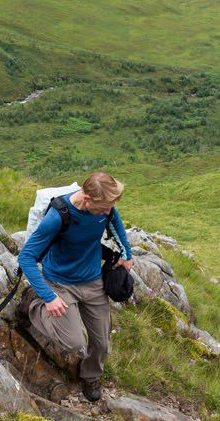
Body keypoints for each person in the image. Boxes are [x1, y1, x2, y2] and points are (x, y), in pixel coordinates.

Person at [16, 172, 133, 402]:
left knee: (102, 343)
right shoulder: (59, 216)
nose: (109, 211)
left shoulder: (105, 209)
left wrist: (127, 254)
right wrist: (48, 297)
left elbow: (117, 226)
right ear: (87, 198)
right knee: (74, 343)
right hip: (59, 282)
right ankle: (32, 303)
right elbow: (26, 257)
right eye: (104, 207)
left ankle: (90, 375)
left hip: (92, 281)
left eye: (111, 206)